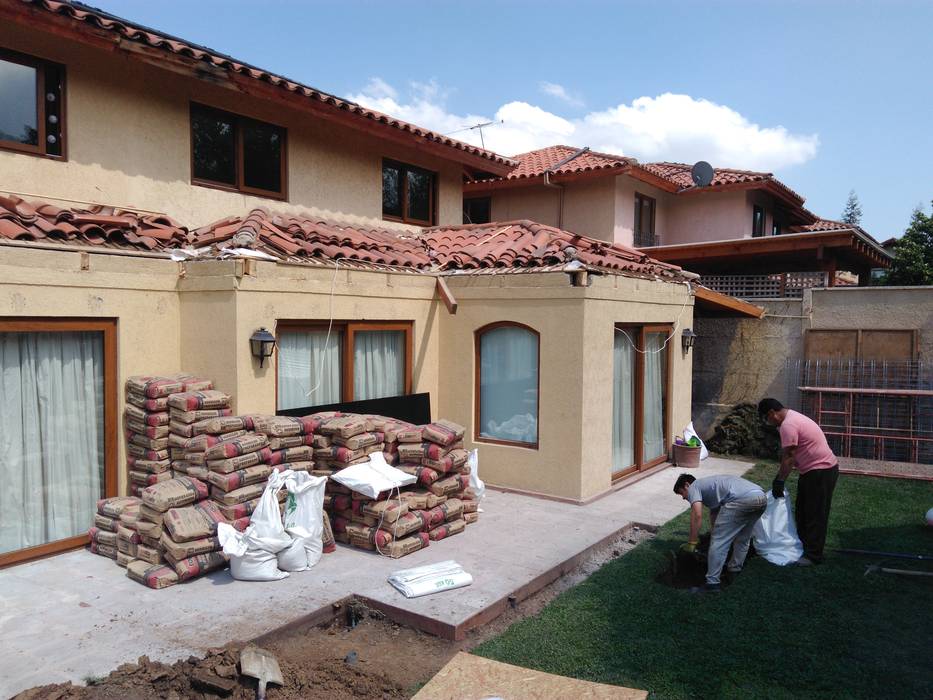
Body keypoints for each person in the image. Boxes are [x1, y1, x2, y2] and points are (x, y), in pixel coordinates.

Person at [758, 397, 838, 566]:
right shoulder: (792, 418)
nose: (768, 422)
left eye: (767, 418)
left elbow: (789, 456)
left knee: (815, 513)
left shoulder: (788, 425)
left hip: (820, 471)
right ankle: (802, 547)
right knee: (803, 511)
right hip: (813, 471)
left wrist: (779, 480)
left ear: (772, 413)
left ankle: (813, 556)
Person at [673, 473, 767, 592]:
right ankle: (734, 571)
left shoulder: (694, 486)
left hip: (742, 500)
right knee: (743, 538)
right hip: (760, 497)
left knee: (719, 542)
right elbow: (715, 513)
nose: (683, 497)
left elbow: (697, 515)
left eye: (682, 493)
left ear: (687, 485)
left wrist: (692, 542)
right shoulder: (711, 487)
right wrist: (713, 531)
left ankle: (712, 584)